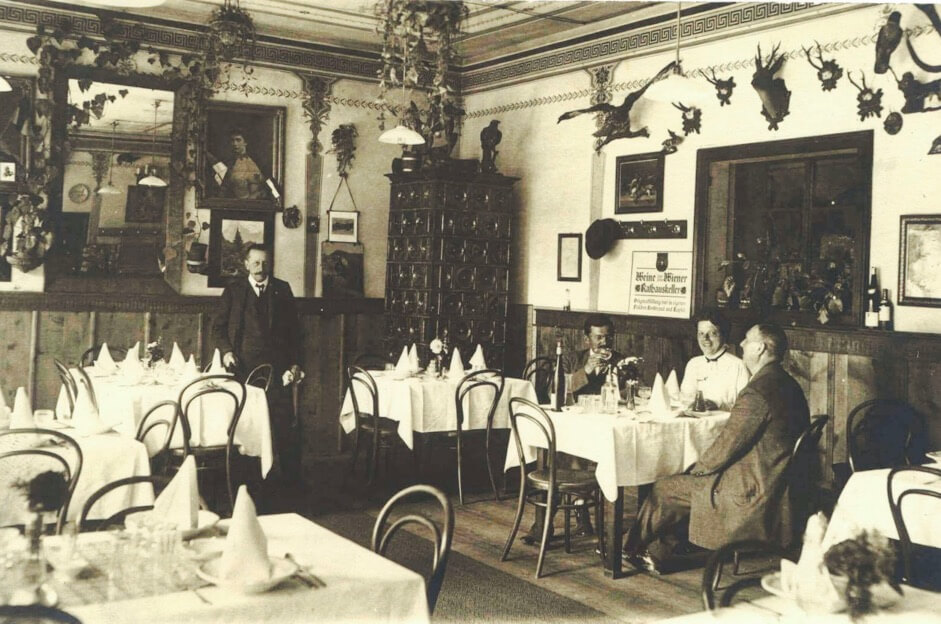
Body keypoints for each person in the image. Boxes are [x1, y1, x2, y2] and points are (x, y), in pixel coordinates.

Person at [622, 323, 809, 575]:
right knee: (686, 476)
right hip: (776, 483)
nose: (741, 344)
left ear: (760, 348)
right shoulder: (787, 383)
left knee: (666, 486)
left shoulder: (757, 392)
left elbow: (726, 447)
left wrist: (697, 470)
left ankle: (628, 549)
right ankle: (665, 547)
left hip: (751, 491)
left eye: (746, 339)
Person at [211, 244, 303, 480]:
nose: (260, 267)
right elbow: (218, 329)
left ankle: (288, 483)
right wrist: (227, 351)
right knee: (246, 424)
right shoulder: (234, 291)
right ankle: (246, 480)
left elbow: (295, 332)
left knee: (282, 424)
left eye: (264, 262)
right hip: (243, 368)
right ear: (246, 264)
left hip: (277, 369)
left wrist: (294, 363)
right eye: (255, 262)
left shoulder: (282, 289)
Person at [679, 309, 750, 411]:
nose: (705, 339)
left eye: (712, 333)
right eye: (701, 333)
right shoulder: (693, 364)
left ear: (723, 335)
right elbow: (685, 398)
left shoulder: (738, 365)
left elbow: (744, 407)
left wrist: (718, 405)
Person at [563, 313, 623, 398]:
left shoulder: (621, 360)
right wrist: (586, 370)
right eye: (599, 337)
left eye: (608, 337)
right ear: (587, 339)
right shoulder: (570, 359)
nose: (605, 342)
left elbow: (637, 390)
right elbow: (554, 391)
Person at [218, 127, 265, 200]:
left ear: (245, 142)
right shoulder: (228, 162)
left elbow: (255, 192)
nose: (235, 143)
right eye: (232, 140)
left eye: (238, 140)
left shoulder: (252, 163)